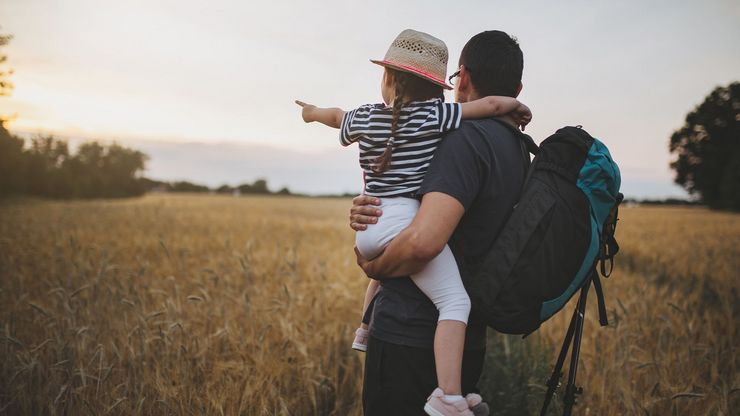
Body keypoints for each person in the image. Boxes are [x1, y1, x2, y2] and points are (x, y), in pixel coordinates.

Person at [295, 29, 531, 416]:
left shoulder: (461, 139)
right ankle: (449, 391)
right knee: (455, 301)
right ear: (517, 87)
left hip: (411, 338)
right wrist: (511, 106)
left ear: (464, 78)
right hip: (466, 344)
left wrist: (373, 265)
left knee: (452, 300)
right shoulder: (519, 149)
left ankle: (442, 393)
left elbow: (421, 243)